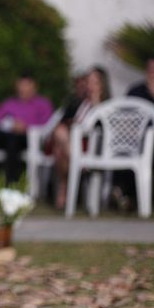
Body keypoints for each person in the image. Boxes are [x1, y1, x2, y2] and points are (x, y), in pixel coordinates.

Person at [51, 66, 111, 209]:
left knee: (60, 148)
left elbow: (104, 129)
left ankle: (64, 187)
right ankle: (78, 164)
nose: (89, 86)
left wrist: (96, 105)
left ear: (102, 84)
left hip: (94, 146)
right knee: (60, 142)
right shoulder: (77, 103)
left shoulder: (109, 106)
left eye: (94, 82)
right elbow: (64, 122)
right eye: (88, 81)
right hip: (72, 143)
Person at [0, 73, 53, 184]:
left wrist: (26, 126)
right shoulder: (9, 103)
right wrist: (10, 124)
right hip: (4, 135)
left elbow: (47, 125)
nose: (22, 89)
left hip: (27, 138)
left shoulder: (42, 104)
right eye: (20, 85)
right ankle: (9, 183)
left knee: (13, 139)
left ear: (34, 87)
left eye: (26, 85)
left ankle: (10, 183)